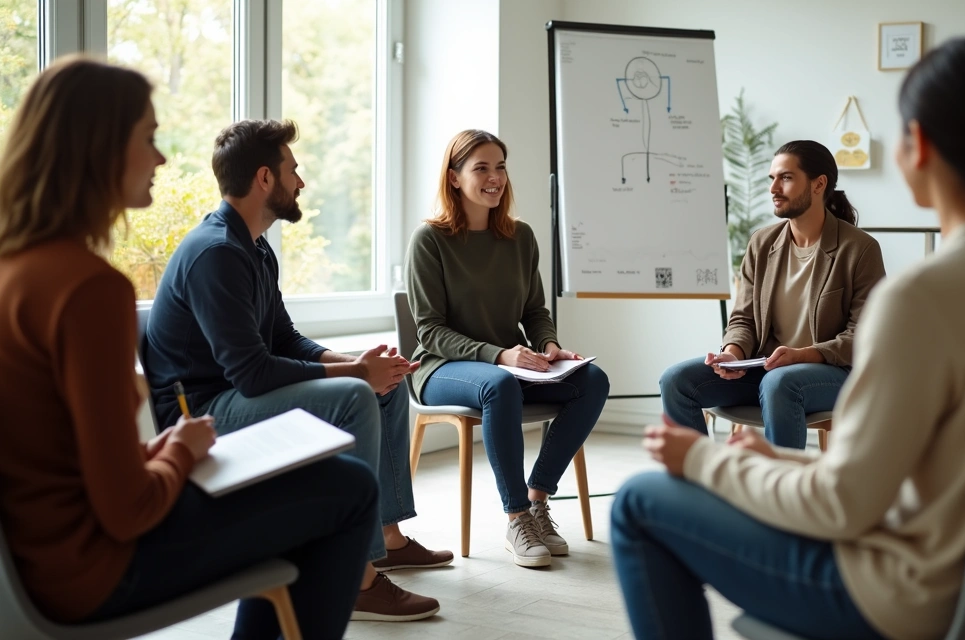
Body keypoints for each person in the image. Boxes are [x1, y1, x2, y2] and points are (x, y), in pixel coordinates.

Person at [612, 37, 965, 640]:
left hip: (922, 598)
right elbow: (943, 470)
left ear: (917, 144)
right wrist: (779, 463)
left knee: (639, 500)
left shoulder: (923, 296)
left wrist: (704, 460)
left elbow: (841, 506)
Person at [0, 56, 379, 638]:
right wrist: (178, 453)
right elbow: (128, 509)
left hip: (31, 567)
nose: (161, 158)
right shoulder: (89, 288)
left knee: (308, 494)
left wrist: (159, 450)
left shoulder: (17, 271)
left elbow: (61, 458)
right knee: (348, 489)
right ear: (99, 148)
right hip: (91, 571)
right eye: (148, 138)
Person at [142, 119, 448, 622]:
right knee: (356, 394)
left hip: (238, 392)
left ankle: (385, 538)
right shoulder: (217, 253)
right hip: (201, 413)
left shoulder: (255, 246)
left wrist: (362, 365)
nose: (301, 182)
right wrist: (355, 376)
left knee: (386, 385)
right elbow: (252, 374)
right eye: (293, 170)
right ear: (265, 178)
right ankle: (357, 579)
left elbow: (285, 339)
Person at [407, 129, 610, 568]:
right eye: (481, 168)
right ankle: (516, 517)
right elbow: (430, 331)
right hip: (443, 367)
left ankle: (537, 500)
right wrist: (499, 355)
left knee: (592, 380)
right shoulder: (430, 240)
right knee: (498, 385)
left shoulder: (520, 236)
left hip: (509, 368)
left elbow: (535, 311)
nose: (495, 177)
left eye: (500, 167)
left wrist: (550, 346)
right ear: (454, 177)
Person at [659, 141, 885, 448]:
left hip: (833, 373)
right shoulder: (762, 243)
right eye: (772, 178)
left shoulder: (859, 249)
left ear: (819, 184)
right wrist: (733, 355)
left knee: (780, 383)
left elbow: (864, 336)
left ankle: (778, 478)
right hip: (766, 368)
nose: (773, 188)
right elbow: (743, 319)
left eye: (786, 178)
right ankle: (704, 472)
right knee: (676, 381)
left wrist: (802, 355)